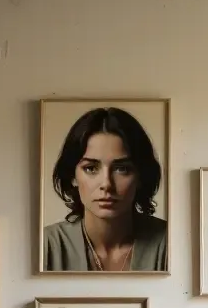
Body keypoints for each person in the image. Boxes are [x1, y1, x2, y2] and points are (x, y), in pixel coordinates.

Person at [44, 107, 167, 272]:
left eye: (122, 168)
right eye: (91, 168)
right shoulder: (45, 244)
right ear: (72, 175)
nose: (107, 184)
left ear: (140, 176)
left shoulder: (170, 241)